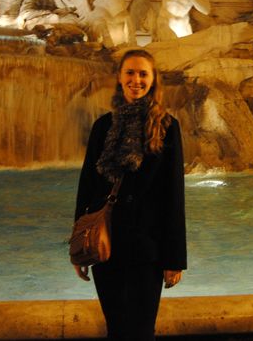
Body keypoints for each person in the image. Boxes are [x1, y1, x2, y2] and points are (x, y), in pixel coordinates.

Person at [73, 49, 187, 340]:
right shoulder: (103, 126)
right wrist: (78, 244)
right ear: (120, 78)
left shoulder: (167, 127)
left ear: (153, 80)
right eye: (130, 73)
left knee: (141, 330)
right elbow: (87, 185)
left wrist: (174, 258)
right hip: (105, 244)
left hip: (147, 248)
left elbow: (173, 195)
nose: (136, 80)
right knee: (116, 328)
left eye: (143, 74)